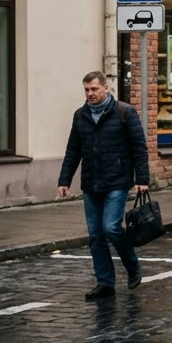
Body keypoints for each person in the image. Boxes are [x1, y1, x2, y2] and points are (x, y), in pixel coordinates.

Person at [57, 71, 150, 300]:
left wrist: (142, 180)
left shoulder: (124, 112)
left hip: (117, 181)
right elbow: (73, 150)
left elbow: (139, 147)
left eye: (94, 89)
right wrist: (64, 180)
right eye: (86, 90)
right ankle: (105, 283)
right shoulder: (81, 115)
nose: (90, 94)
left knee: (111, 227)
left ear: (106, 88)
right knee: (96, 235)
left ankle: (132, 265)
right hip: (91, 183)